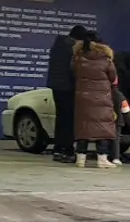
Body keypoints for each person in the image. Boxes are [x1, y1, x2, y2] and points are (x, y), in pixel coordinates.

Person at [70, 30, 123, 169]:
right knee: (102, 128)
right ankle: (102, 159)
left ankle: (80, 159)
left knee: (84, 127)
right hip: (102, 98)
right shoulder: (106, 58)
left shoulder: (78, 57)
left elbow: (73, 71)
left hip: (83, 97)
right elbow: (113, 77)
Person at [46, 24, 86, 163]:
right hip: (68, 87)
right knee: (69, 120)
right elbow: (73, 69)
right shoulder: (72, 49)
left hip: (55, 86)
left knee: (60, 118)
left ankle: (58, 148)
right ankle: (67, 150)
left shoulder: (58, 45)